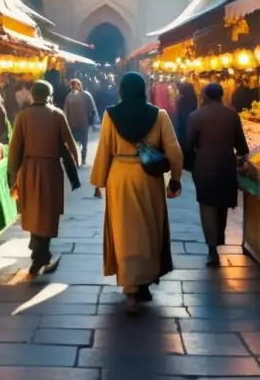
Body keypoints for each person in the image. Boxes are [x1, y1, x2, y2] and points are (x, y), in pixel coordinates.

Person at [90, 72, 184, 316]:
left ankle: (130, 284)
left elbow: (104, 150)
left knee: (124, 231)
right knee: (148, 230)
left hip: (120, 176)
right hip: (148, 178)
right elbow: (174, 151)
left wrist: (98, 181)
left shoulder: (111, 115)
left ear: (122, 90)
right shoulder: (158, 115)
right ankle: (142, 283)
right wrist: (175, 180)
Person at [8, 80, 79, 276]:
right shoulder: (57, 114)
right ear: (49, 94)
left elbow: (15, 149)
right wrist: (76, 160)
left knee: (32, 210)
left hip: (29, 169)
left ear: (32, 94)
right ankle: (41, 256)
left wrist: (13, 175)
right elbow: (69, 142)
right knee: (48, 212)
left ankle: (39, 253)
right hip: (51, 169)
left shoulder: (23, 116)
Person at [186, 83, 249, 266]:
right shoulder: (232, 115)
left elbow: (188, 146)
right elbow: (242, 146)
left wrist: (191, 165)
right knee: (222, 205)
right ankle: (218, 240)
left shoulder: (195, 116)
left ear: (205, 95)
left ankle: (212, 249)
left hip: (204, 166)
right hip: (226, 165)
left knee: (207, 206)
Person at [64, 78, 98, 166]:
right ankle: (75, 158)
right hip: (72, 123)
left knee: (84, 142)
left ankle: (83, 158)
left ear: (80, 85)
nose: (75, 86)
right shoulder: (69, 96)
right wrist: (65, 121)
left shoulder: (86, 95)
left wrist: (94, 122)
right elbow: (65, 110)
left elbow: (93, 108)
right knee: (73, 142)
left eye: (77, 84)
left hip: (84, 122)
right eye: (73, 84)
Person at [174, 81, 199, 171]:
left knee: (184, 149)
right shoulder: (193, 99)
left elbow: (182, 116)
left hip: (183, 129)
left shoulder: (182, 101)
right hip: (189, 130)